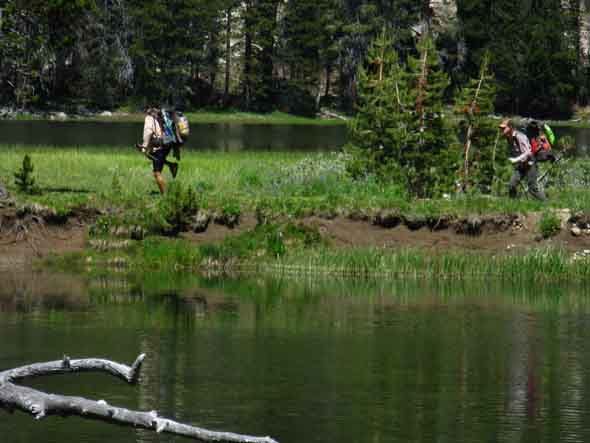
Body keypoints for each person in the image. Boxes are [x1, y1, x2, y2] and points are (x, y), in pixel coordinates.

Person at [499, 118, 546, 201]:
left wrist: (516, 159)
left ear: (510, 127)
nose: (501, 129)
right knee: (512, 185)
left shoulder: (520, 136)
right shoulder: (508, 138)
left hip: (530, 165)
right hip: (521, 166)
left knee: (533, 189)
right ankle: (512, 205)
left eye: (503, 128)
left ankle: (547, 205)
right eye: (500, 128)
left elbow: (528, 152)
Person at [137, 107, 180, 194]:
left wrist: (144, 146)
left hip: (159, 146)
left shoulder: (149, 118)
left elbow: (148, 132)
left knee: (157, 173)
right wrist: (176, 149)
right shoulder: (161, 117)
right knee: (153, 156)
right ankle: (172, 165)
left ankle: (165, 196)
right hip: (167, 143)